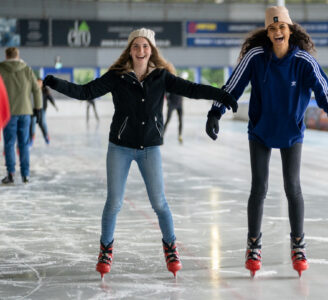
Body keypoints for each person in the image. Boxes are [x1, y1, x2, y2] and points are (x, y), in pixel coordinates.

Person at [43, 28, 237, 279]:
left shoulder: (162, 77)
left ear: (151, 50)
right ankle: (105, 250)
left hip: (150, 148)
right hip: (120, 148)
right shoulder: (117, 77)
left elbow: (193, 89)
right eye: (136, 46)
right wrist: (55, 82)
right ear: (130, 50)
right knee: (114, 203)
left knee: (160, 203)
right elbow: (85, 92)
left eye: (145, 46)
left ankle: (171, 248)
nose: (141, 50)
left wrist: (221, 95)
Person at [205, 6, 328, 277]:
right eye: (272, 28)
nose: (277, 31)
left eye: (282, 27)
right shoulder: (256, 57)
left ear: (290, 30)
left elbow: (322, 86)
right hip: (260, 130)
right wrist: (215, 112)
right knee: (259, 187)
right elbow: (233, 84)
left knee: (292, 186)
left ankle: (298, 244)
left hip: (291, 131)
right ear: (268, 33)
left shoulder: (303, 61)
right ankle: (254, 245)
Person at [0, 47, 42, 184]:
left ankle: (11, 174)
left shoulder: (1, 69)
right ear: (18, 56)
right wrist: (38, 108)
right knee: (24, 144)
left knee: (9, 143)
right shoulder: (27, 70)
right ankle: (25, 175)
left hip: (8, 113)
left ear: (6, 56)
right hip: (26, 112)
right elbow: (36, 90)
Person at [29, 78, 58, 146]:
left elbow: (50, 98)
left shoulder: (45, 91)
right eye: (37, 82)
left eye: (40, 83)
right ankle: (31, 138)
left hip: (42, 110)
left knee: (42, 122)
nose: (39, 84)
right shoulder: (33, 90)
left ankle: (46, 136)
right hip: (34, 109)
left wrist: (55, 106)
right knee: (32, 123)